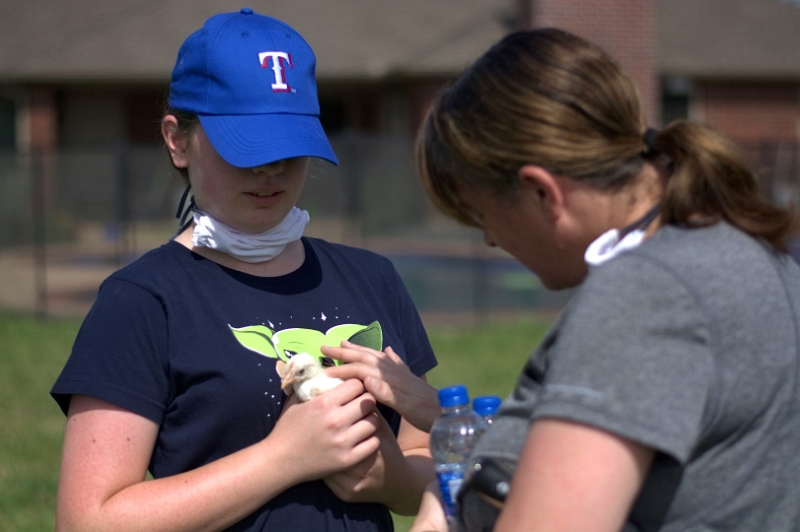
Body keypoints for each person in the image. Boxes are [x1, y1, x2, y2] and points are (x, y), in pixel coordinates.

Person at [325, 28, 800, 532]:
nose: (489, 239)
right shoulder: (744, 252)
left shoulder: (646, 300)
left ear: (541, 193)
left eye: (481, 214)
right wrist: (437, 411)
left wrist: (447, 510)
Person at [50, 9, 437, 532]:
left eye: (288, 145)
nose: (270, 168)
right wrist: (285, 458)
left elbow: (427, 457)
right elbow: (88, 520)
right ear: (177, 140)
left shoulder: (373, 278)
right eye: (245, 146)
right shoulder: (141, 301)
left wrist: (392, 479)